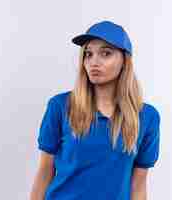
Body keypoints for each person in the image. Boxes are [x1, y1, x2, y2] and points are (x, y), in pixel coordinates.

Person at [30, 20, 161, 200]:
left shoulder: (147, 117)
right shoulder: (60, 106)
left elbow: (138, 185)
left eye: (106, 53)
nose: (94, 62)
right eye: (88, 54)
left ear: (125, 60)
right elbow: (45, 172)